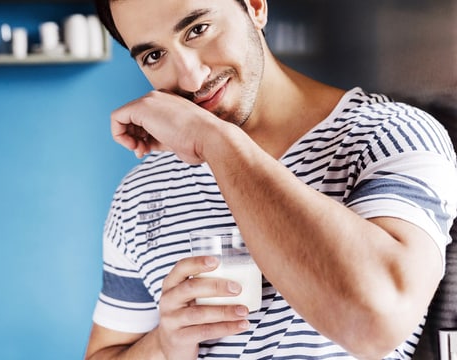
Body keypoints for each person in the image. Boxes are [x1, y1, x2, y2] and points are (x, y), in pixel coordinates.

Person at [84, 0, 457, 358]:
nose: (191, 77)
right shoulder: (142, 192)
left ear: (255, 6)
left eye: (198, 29)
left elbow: (374, 325)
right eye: (154, 55)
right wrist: (163, 346)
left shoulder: (392, 134)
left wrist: (214, 140)